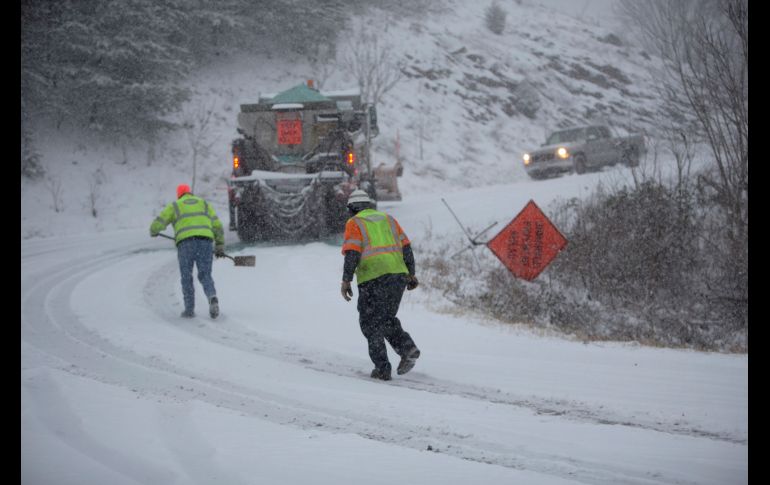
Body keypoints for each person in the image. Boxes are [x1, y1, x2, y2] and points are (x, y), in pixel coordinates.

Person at [340, 189, 420, 381]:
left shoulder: (354, 223)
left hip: (373, 278)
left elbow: (352, 252)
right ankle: (407, 348)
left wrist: (346, 280)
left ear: (352, 209)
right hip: (398, 276)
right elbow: (406, 248)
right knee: (385, 318)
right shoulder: (389, 219)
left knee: (370, 323)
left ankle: (382, 368)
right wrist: (411, 274)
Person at [150, 184, 225, 319]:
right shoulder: (203, 204)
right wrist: (219, 244)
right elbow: (217, 225)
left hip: (186, 244)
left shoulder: (176, 205)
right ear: (190, 193)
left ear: (179, 194)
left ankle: (189, 310)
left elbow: (160, 221)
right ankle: (212, 296)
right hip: (205, 242)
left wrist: (154, 230)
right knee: (205, 274)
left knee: (186, 277)